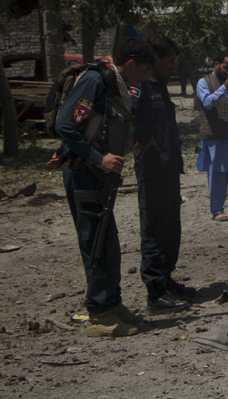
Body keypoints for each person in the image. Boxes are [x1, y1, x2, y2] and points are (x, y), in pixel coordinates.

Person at [54, 38, 155, 337]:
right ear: (132, 64)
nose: (146, 77)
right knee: (95, 243)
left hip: (99, 175)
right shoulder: (95, 81)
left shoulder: (114, 85)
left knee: (108, 243)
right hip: (85, 173)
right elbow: (66, 125)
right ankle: (98, 315)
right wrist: (98, 158)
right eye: (145, 70)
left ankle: (112, 304)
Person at [130, 34, 193, 314]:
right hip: (153, 169)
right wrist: (144, 137)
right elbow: (128, 114)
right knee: (154, 231)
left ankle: (166, 280)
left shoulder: (160, 86)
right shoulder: (141, 85)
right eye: (169, 62)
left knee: (171, 230)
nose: (172, 67)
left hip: (169, 168)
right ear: (154, 60)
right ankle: (154, 293)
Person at [196, 51, 228, 221]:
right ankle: (217, 211)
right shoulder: (204, 82)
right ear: (216, 64)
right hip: (216, 137)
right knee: (217, 174)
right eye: (225, 67)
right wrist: (224, 87)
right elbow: (208, 103)